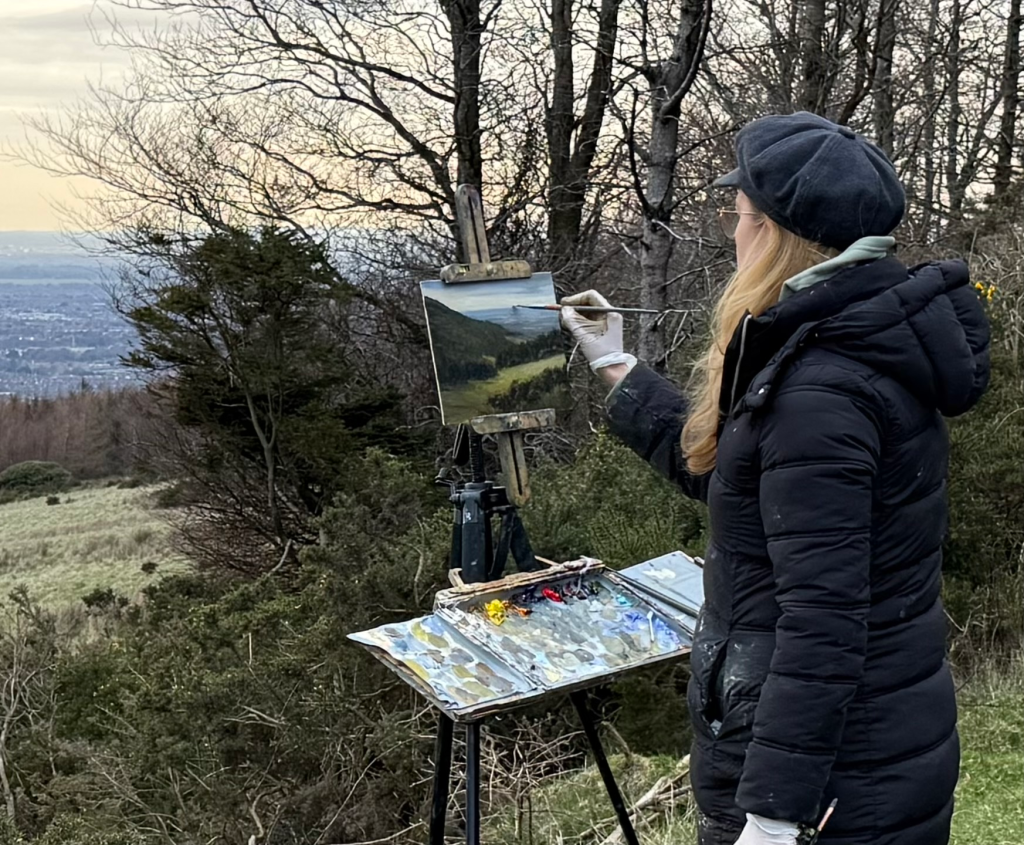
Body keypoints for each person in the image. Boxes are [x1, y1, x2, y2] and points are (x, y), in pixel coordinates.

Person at [561, 112, 990, 845]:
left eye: (739, 218)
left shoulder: (820, 391)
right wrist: (618, 365)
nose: (732, 236)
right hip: (877, 748)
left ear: (773, 235)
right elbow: (753, 491)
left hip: (833, 788)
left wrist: (770, 814)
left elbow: (822, 622)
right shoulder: (864, 336)